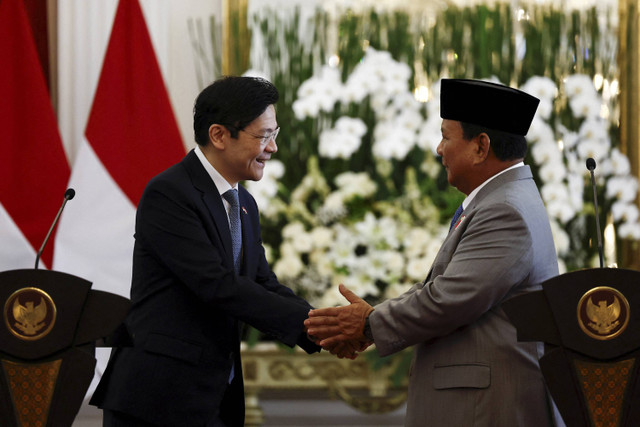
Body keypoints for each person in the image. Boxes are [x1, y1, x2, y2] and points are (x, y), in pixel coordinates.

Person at [305, 79, 564, 426]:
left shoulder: (505, 211)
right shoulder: (502, 200)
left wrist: (369, 324)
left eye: (446, 136)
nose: (439, 149)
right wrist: (372, 320)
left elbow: (449, 299)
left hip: (487, 407)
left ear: (480, 147)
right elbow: (443, 288)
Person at [90, 76, 320, 426]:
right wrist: (310, 327)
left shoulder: (244, 204)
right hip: (157, 399)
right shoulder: (170, 193)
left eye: (274, 135)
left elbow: (262, 282)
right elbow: (216, 284)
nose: (272, 148)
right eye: (263, 136)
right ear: (219, 135)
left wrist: (319, 323)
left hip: (213, 398)